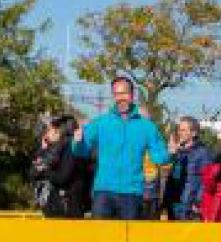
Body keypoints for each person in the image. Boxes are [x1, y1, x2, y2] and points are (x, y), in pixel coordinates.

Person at [72, 76, 170, 220]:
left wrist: (170, 153)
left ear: (132, 95)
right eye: (116, 94)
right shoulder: (101, 122)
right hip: (103, 191)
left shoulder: (147, 126)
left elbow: (159, 157)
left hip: (132, 192)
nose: (120, 98)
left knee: (128, 241)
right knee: (100, 240)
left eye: (124, 93)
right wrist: (77, 142)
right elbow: (81, 151)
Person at [32, 116, 83, 218]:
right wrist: (42, 151)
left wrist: (44, 171)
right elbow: (32, 172)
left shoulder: (70, 149)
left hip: (67, 206)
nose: (48, 132)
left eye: (54, 129)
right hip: (51, 205)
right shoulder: (49, 149)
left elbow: (63, 177)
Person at [164, 116, 212, 221]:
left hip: (189, 204)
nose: (180, 133)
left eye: (183, 130)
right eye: (179, 130)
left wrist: (198, 202)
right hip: (173, 202)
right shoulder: (177, 151)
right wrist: (170, 155)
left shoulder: (202, 152)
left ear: (194, 133)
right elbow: (168, 175)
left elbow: (206, 180)